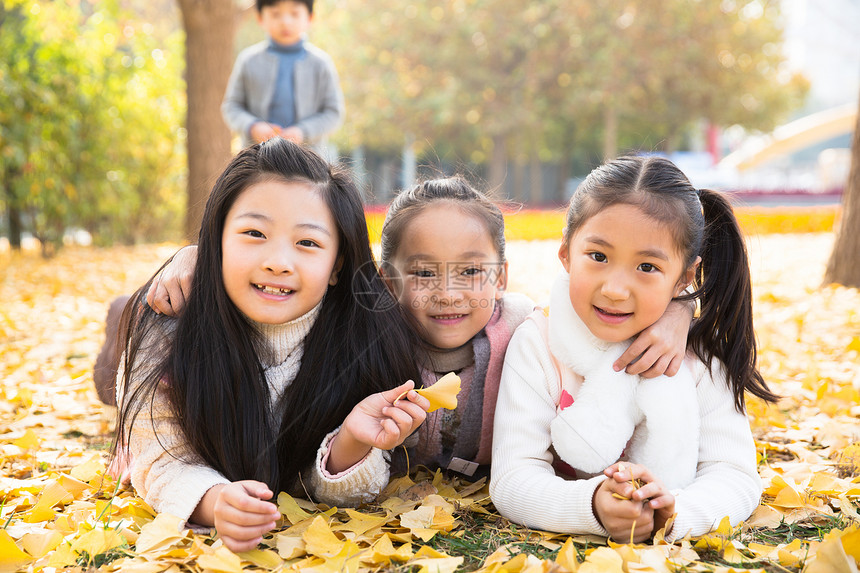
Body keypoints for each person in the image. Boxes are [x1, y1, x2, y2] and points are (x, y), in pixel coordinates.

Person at [137, 176, 696, 480]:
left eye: (471, 273)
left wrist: (681, 309)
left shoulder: (528, 327)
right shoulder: (362, 334)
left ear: (501, 277)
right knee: (131, 339)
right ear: (386, 279)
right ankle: (123, 324)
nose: (449, 293)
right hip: (160, 351)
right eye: (424, 273)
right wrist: (190, 258)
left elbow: (613, 306)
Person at [113, 138, 429, 553]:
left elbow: (313, 485)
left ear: (336, 266)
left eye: (308, 243)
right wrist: (213, 502)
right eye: (254, 233)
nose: (279, 260)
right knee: (120, 356)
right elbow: (160, 459)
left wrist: (351, 442)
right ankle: (116, 320)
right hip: (154, 348)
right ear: (216, 239)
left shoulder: (364, 340)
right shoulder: (166, 333)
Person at [490, 155, 779, 543]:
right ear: (565, 254)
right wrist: (591, 506)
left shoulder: (699, 357)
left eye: (647, 267)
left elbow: (735, 475)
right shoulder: (539, 344)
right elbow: (513, 478)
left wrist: (675, 512)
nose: (615, 289)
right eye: (598, 257)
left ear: (684, 278)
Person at [221, 0, 344, 151]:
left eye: (294, 14)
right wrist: (253, 126)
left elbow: (333, 113)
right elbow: (231, 106)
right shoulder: (248, 60)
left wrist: (303, 131)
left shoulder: (321, 63)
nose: (285, 22)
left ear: (310, 18)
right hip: (256, 158)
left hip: (308, 160)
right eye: (275, 14)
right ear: (260, 18)